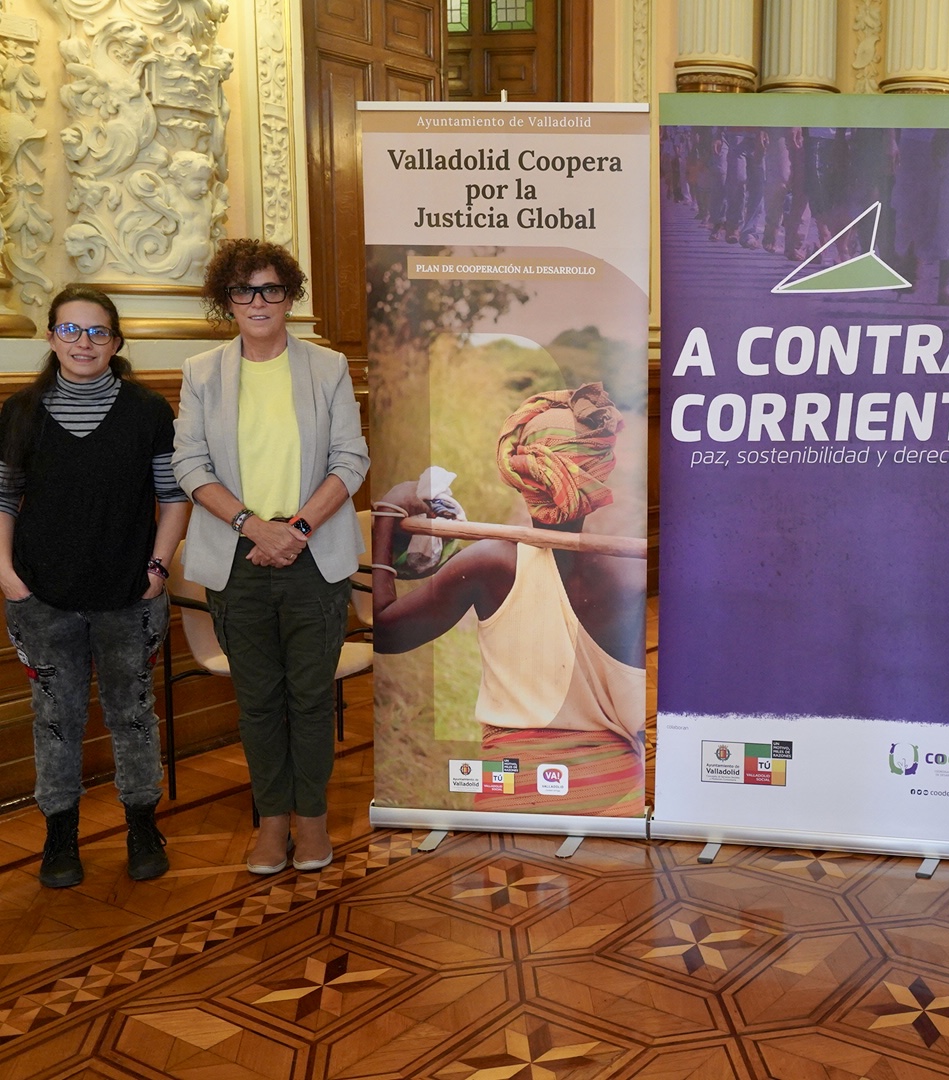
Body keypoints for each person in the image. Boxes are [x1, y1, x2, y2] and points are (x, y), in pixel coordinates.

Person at [172, 239, 369, 875]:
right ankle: (272, 821)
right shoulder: (202, 371)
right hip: (237, 560)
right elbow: (188, 465)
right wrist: (255, 527)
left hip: (315, 556)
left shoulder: (327, 367)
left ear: (289, 296)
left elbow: (351, 459)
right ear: (225, 300)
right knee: (258, 702)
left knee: (310, 699)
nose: (258, 302)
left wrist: (297, 528)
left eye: (271, 289)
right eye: (243, 290)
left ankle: (311, 821)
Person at [369, 383, 646, 810]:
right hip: (618, 794)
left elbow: (387, 634)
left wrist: (387, 514)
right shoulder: (632, 576)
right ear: (598, 475)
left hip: (512, 790)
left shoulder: (487, 563)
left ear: (521, 479)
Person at [0, 285, 189, 887]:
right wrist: (6, 575)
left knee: (133, 715)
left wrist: (158, 569)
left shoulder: (148, 411)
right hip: (41, 597)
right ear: (51, 337)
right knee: (55, 719)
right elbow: (3, 499)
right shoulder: (20, 411)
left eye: (97, 331)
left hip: (130, 596)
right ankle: (60, 837)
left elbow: (172, 497)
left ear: (115, 341)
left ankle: (142, 827)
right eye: (70, 330)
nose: (83, 342)